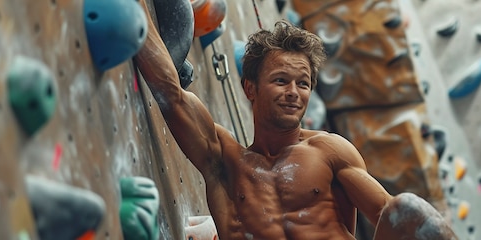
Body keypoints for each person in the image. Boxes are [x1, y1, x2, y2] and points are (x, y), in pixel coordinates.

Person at [133, 1, 457, 239]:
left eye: (303, 84)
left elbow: (388, 212)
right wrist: (138, 11)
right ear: (250, 88)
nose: (294, 92)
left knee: (410, 208)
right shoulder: (226, 160)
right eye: (280, 80)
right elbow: (170, 94)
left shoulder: (330, 152)